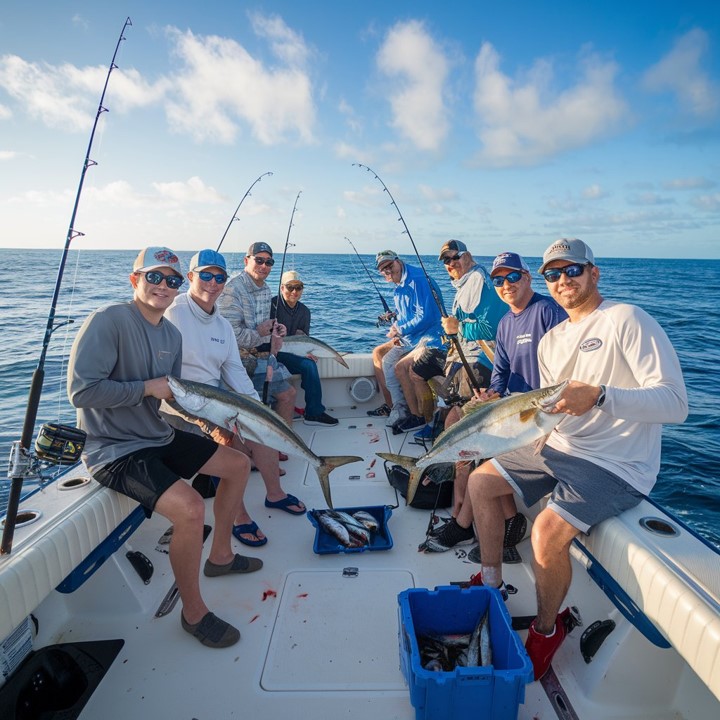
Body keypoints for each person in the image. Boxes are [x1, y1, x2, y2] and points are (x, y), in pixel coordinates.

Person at [466, 238, 688, 681]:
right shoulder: (551, 341)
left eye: (573, 271)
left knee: (547, 530)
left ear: (594, 273)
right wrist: (495, 422)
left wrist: (602, 395)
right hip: (559, 446)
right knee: (480, 482)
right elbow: (546, 412)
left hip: (616, 462)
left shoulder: (626, 319)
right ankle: (491, 581)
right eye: (553, 274)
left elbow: (674, 404)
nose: (563, 281)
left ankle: (545, 632)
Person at [67, 247, 263, 650]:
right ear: (134, 279)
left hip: (158, 434)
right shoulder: (108, 321)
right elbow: (82, 392)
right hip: (114, 450)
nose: (163, 286)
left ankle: (221, 556)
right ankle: (193, 614)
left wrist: (210, 422)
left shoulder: (170, 334)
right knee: (191, 508)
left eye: (172, 280)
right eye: (154, 277)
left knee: (238, 465)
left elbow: (173, 396)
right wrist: (145, 389)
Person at [423, 251, 567, 553]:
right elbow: (500, 373)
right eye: (499, 279)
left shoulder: (547, 311)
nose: (506, 284)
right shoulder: (505, 323)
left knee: (479, 456)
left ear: (527, 277)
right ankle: (473, 512)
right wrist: (490, 394)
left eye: (513, 276)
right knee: (456, 420)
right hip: (510, 407)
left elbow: (566, 369)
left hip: (538, 414)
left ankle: (463, 525)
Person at [162, 249, 306, 547]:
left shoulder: (222, 327)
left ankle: (275, 493)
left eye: (219, 277)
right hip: (179, 399)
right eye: (205, 275)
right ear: (190, 277)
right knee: (228, 439)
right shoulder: (174, 312)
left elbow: (236, 373)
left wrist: (258, 410)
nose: (212, 283)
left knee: (259, 428)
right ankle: (239, 517)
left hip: (215, 395)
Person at [411, 240, 506, 440]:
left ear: (468, 256)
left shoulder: (476, 280)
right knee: (418, 370)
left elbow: (489, 329)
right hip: (460, 354)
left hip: (479, 360)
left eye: (456, 257)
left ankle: (447, 441)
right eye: (446, 259)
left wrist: (458, 327)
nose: (451, 263)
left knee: (456, 417)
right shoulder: (465, 282)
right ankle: (431, 423)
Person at [216, 242, 297, 430]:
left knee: (289, 394)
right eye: (259, 260)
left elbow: (261, 328)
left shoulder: (266, 289)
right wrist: (261, 334)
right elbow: (232, 337)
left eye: (269, 262)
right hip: (235, 359)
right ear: (247, 260)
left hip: (261, 354)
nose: (264, 266)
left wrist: (275, 330)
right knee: (251, 407)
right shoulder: (232, 289)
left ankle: (281, 442)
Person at [369, 249, 446, 433]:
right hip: (412, 337)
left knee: (400, 367)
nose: (388, 271)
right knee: (383, 357)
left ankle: (417, 416)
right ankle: (398, 407)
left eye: (390, 266)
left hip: (430, 338)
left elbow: (425, 316)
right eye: (383, 269)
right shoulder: (400, 283)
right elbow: (410, 312)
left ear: (399, 261)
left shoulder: (417, 280)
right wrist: (395, 318)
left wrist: (399, 329)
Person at [271, 270, 338, 426]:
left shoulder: (304, 311)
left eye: (298, 287)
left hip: (291, 353)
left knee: (309, 363)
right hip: (272, 352)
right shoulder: (271, 305)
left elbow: (303, 337)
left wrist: (307, 352)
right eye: (290, 287)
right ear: (282, 288)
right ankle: (314, 412)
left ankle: (313, 412)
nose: (294, 292)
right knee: (308, 365)